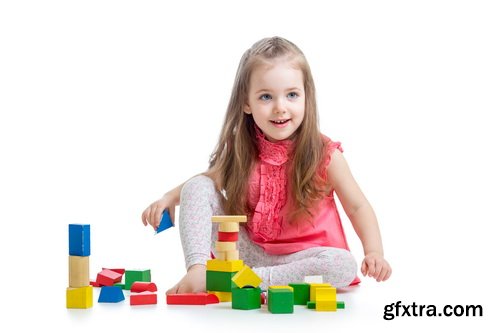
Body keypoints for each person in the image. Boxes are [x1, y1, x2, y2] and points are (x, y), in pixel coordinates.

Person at [142, 36, 391, 294]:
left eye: (292, 95)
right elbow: (206, 182)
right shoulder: (243, 147)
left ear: (307, 97)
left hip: (303, 259)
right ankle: (199, 271)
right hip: (248, 251)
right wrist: (169, 197)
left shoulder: (325, 154)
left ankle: (248, 281)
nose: (280, 108)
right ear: (246, 103)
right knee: (197, 185)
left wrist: (374, 252)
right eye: (266, 97)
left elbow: (358, 206)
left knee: (342, 265)